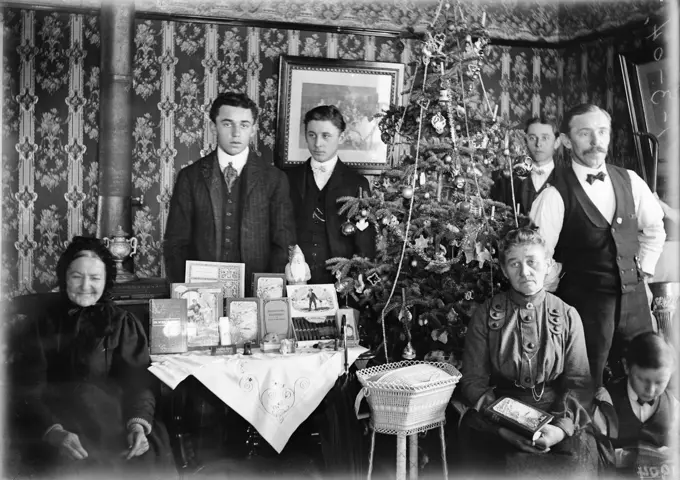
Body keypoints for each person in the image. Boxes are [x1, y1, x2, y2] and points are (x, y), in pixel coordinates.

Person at [530, 103, 666, 388]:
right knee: (584, 386)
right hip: (584, 310)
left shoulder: (630, 180)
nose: (596, 141)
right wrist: (556, 299)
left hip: (636, 304)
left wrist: (645, 274)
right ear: (566, 141)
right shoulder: (554, 194)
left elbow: (654, 229)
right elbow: (538, 258)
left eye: (602, 132)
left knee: (646, 381)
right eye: (585, 133)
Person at [16, 236, 176, 479]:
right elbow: (27, 387)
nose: (85, 286)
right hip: (58, 422)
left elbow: (139, 384)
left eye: (95, 278)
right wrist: (54, 431)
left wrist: (137, 425)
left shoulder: (122, 323)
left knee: (146, 458)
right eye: (76, 276)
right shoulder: (41, 323)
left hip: (117, 420)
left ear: (106, 280)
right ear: (64, 277)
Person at [458, 227, 598, 477]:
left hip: (556, 411)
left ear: (547, 264)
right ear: (504, 270)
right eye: (514, 264)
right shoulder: (485, 314)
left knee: (578, 456)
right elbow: (473, 381)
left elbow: (579, 382)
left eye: (532, 262)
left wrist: (560, 428)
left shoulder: (567, 315)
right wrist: (504, 428)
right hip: (498, 415)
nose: (525, 272)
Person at [164, 92, 296, 292]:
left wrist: (268, 293)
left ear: (253, 129)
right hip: (201, 295)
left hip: (256, 294)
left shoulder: (274, 179)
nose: (236, 133)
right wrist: (186, 292)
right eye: (227, 124)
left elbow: (283, 243)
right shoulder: (190, 177)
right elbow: (175, 244)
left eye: (244, 125)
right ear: (213, 126)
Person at [286, 105, 376, 284]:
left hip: (340, 282)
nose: (318, 143)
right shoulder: (287, 178)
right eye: (312, 135)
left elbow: (365, 239)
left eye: (326, 136)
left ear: (341, 137)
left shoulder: (357, 183)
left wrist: (357, 279)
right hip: (295, 278)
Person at [593, 332, 678, 476]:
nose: (651, 390)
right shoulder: (607, 402)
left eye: (659, 382)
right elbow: (598, 454)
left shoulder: (672, 405)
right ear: (626, 367)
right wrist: (631, 457)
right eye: (643, 380)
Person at [490, 116, 561, 214]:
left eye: (545, 138)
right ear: (525, 142)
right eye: (532, 138)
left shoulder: (568, 182)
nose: (538, 144)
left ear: (557, 142)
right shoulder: (506, 180)